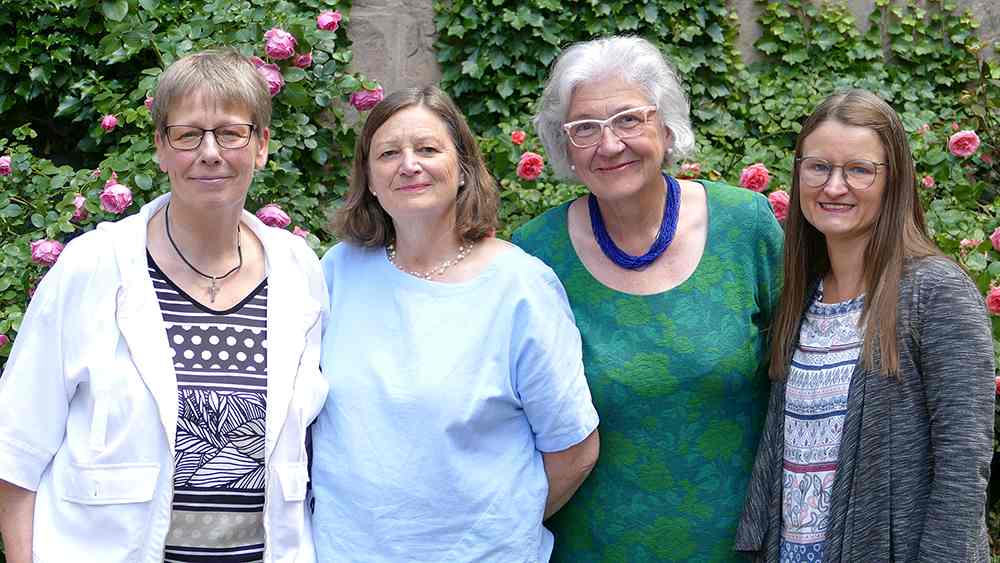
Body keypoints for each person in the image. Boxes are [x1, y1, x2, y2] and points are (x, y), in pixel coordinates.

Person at [0, 49, 328, 562]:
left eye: (231, 133)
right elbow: (13, 454)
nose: (211, 152)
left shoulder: (297, 270)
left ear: (261, 146)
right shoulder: (93, 266)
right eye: (188, 134)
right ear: (160, 147)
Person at [512, 36, 784, 561]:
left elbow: (804, 377)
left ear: (665, 125)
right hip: (592, 547)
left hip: (743, 543)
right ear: (564, 146)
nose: (609, 144)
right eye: (585, 128)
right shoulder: (534, 256)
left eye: (629, 120)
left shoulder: (744, 226)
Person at [309, 85, 600, 562]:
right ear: (370, 179)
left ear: (463, 169)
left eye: (427, 149)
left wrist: (494, 532)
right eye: (388, 153)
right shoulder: (338, 272)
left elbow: (574, 449)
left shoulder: (520, 287)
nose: (409, 165)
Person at [735, 89, 995, 561]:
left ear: (893, 182)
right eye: (818, 167)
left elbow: (962, 471)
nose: (834, 187)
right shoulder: (802, 294)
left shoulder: (936, 292)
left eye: (858, 169)